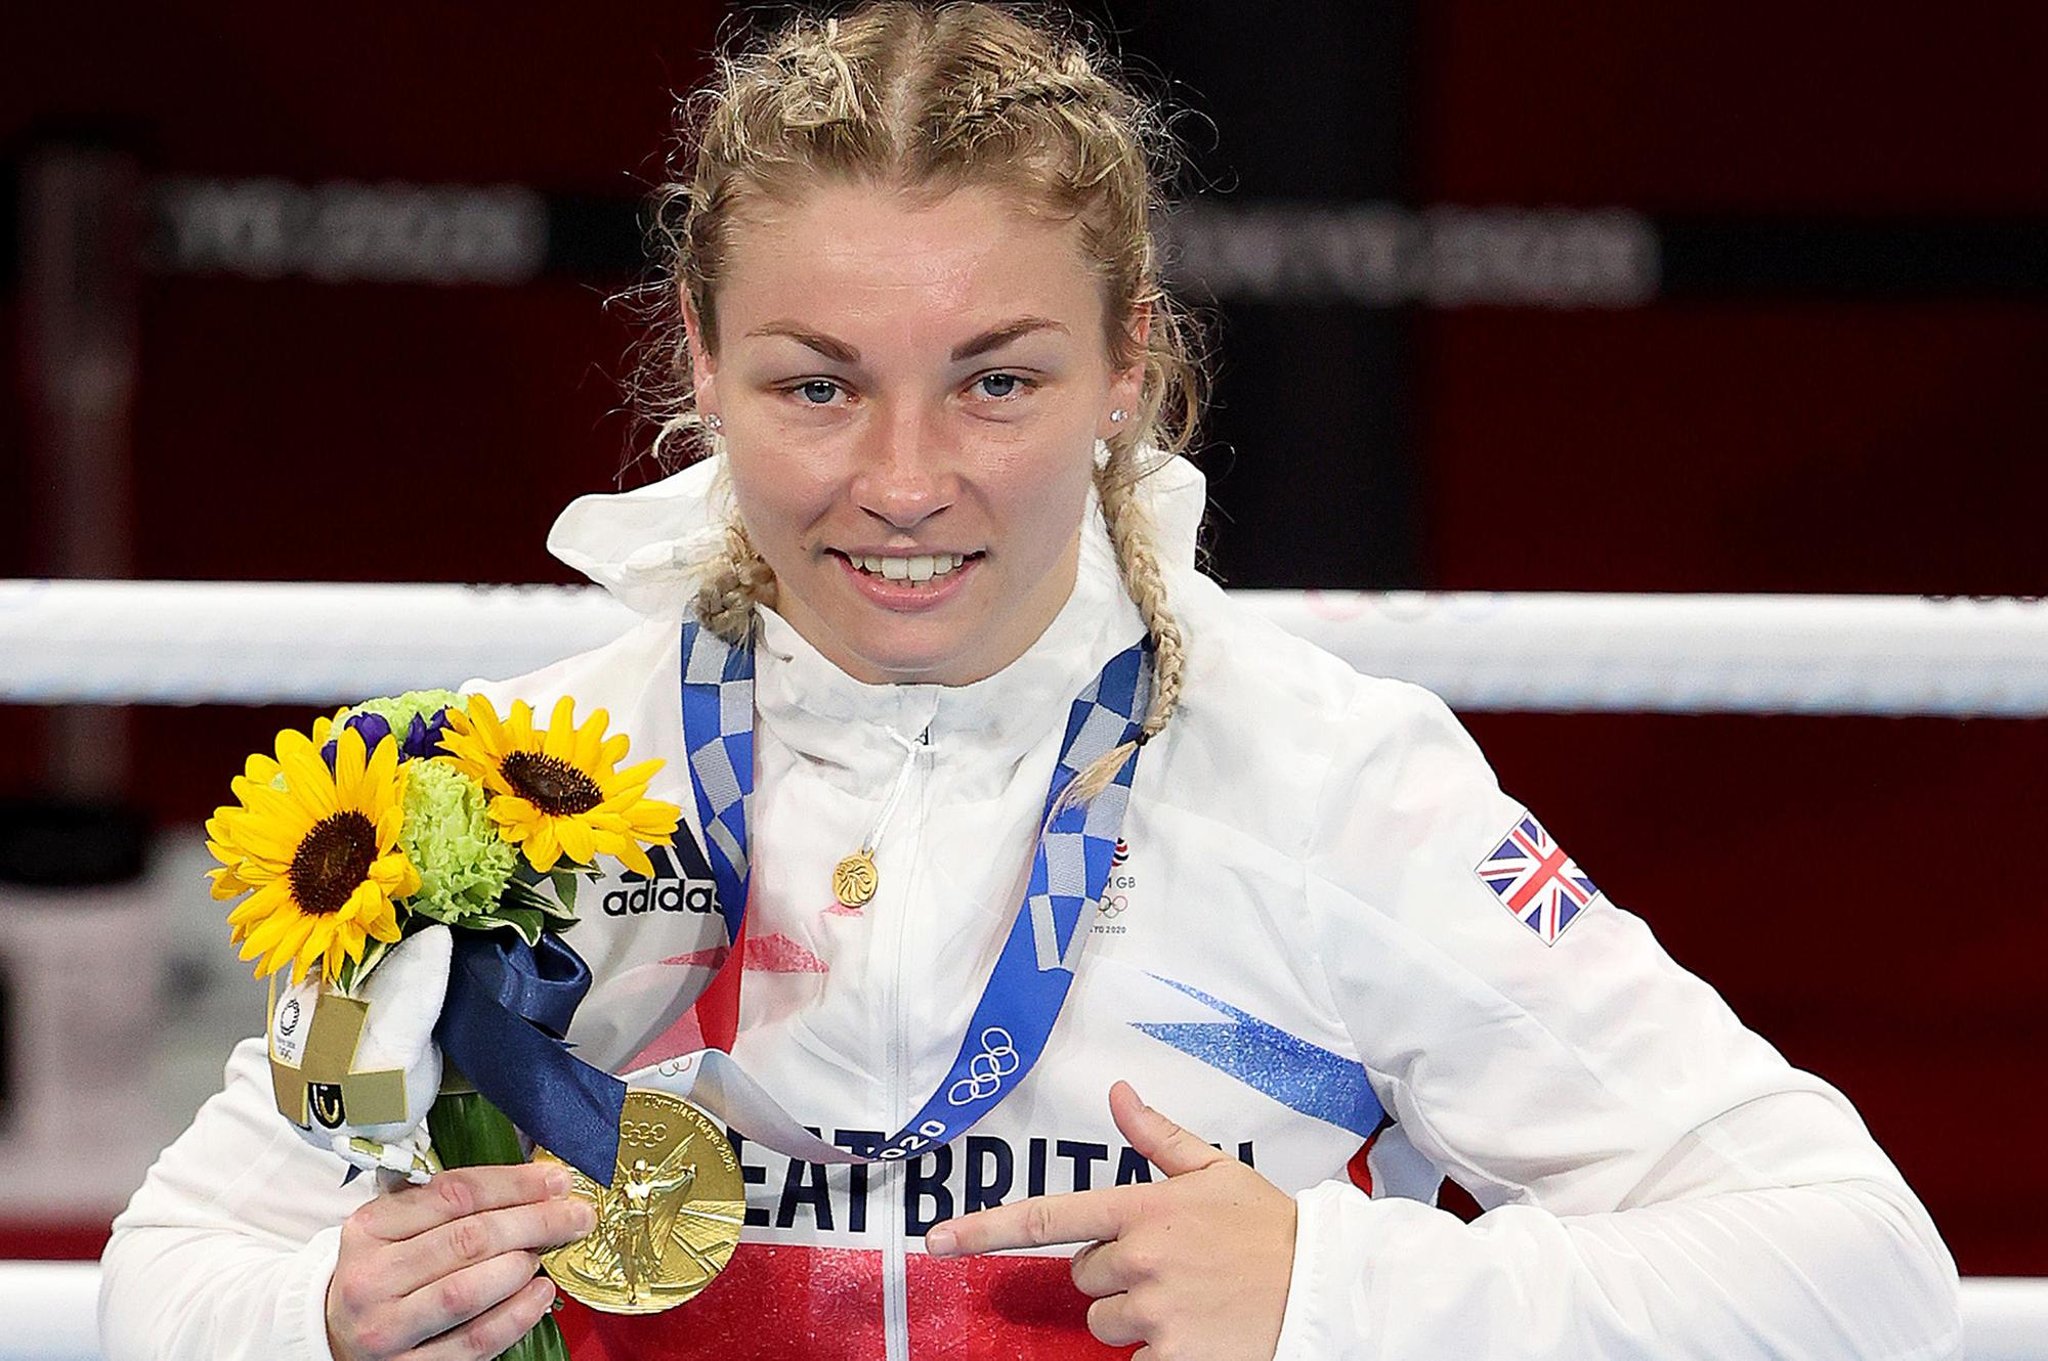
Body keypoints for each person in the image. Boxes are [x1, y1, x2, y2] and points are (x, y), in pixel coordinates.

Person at [99, 4, 1962, 1359]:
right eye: (816, 383)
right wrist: (321, 1320)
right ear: (699, 353)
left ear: (1128, 365)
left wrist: (1347, 1295)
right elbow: (171, 1271)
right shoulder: (509, 784)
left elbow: (1855, 1266)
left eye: (997, 379)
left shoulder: (1320, 774)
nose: (904, 480)